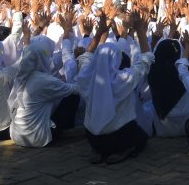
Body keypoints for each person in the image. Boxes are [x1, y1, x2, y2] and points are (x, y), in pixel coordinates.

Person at [77, 12, 154, 164]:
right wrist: (140, 30)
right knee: (142, 136)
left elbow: (85, 57)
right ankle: (124, 150)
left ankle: (98, 151)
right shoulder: (122, 79)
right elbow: (146, 60)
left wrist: (99, 33)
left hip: (93, 137)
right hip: (119, 137)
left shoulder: (86, 76)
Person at [8, 36, 79, 148]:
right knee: (72, 96)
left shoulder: (22, 76)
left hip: (16, 135)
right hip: (36, 138)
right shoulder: (44, 80)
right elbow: (75, 89)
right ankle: (66, 130)